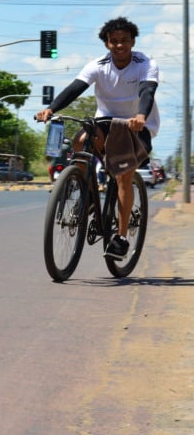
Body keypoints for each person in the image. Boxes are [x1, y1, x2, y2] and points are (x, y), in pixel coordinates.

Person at [35, 16, 160, 258]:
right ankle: (87, 194)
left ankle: (121, 238)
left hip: (137, 125)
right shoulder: (98, 65)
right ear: (107, 44)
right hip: (105, 120)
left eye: (124, 40)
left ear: (133, 41)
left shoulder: (145, 63)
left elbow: (147, 90)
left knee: (124, 176)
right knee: (81, 141)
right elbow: (75, 88)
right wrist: (51, 109)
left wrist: (141, 115)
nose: (119, 45)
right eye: (114, 41)